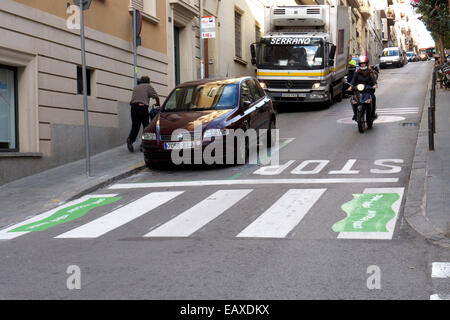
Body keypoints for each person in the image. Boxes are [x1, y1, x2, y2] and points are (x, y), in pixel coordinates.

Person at [127, 76, 160, 152]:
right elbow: (156, 96)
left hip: (133, 108)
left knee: (135, 126)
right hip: (142, 107)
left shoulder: (136, 87)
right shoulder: (148, 86)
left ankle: (130, 140)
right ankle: (144, 144)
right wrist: (158, 104)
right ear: (148, 81)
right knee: (146, 126)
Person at [347, 56, 378, 121]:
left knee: (373, 97)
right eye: (361, 63)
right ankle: (355, 114)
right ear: (359, 64)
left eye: (364, 63)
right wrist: (351, 86)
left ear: (366, 63)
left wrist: (375, 84)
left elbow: (373, 79)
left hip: (368, 89)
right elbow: (353, 80)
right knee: (353, 100)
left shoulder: (370, 71)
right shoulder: (357, 72)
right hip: (359, 89)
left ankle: (373, 114)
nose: (362, 64)